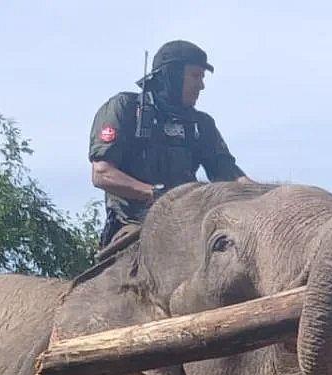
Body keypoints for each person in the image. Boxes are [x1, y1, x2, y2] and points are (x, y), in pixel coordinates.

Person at [88, 40, 251, 246]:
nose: (201, 85)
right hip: (133, 226)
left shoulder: (201, 124)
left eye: (202, 77)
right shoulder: (125, 108)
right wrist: (156, 194)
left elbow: (230, 175)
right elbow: (102, 174)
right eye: (195, 76)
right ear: (171, 75)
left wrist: (269, 197)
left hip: (189, 224)